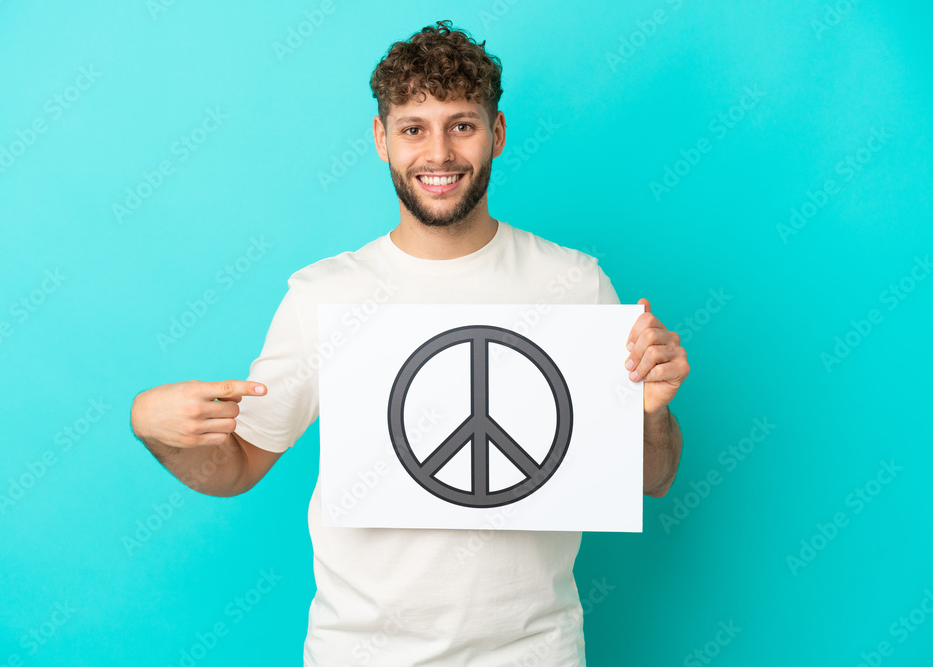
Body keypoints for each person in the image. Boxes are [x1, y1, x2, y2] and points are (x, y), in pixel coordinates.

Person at [131, 19, 688, 666]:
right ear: (381, 139)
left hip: (537, 653)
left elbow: (655, 476)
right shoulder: (324, 294)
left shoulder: (574, 281)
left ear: (497, 134)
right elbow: (235, 468)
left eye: (462, 125)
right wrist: (155, 428)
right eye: (414, 128)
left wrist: (652, 414)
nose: (439, 153)